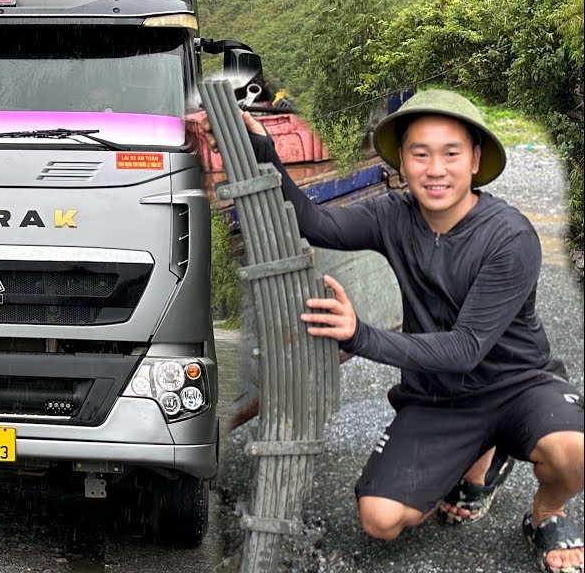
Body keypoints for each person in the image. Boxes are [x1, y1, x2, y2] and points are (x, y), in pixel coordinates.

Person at [199, 88, 584, 573]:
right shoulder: (393, 215)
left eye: (451, 154)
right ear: (402, 161)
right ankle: (479, 453)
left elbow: (465, 349)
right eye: (420, 154)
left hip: (518, 385)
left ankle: (548, 511)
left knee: (574, 451)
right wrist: (263, 152)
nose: (435, 169)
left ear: (475, 160)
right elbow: (316, 224)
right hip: (439, 397)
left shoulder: (510, 237)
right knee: (380, 518)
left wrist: (359, 335)